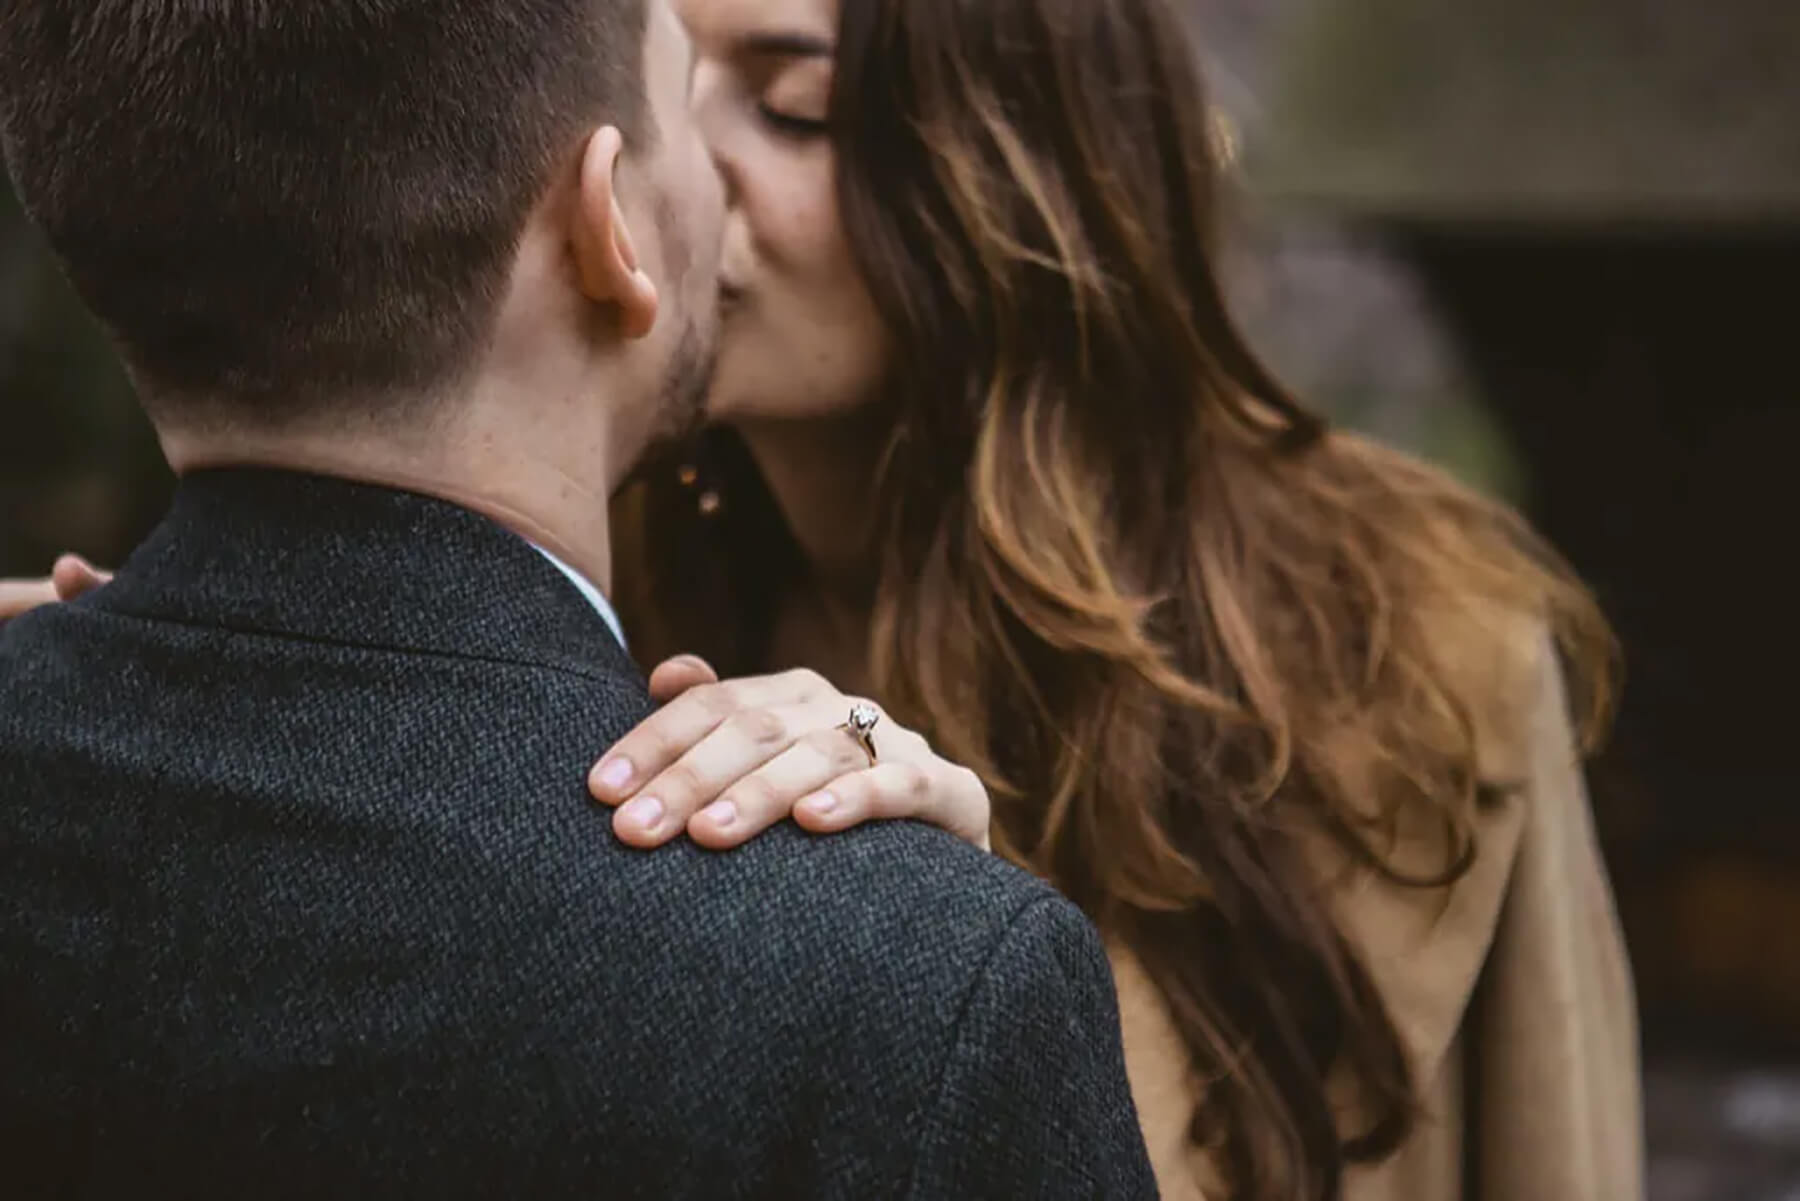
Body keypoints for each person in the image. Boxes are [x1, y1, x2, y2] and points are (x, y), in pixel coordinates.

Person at [0, 2, 1156, 1198]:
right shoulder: (921, 986)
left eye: (788, 109)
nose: (720, 177)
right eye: (681, 108)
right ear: (609, 227)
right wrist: (925, 938)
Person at [585, 0, 1642, 1198]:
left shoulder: (1409, 642)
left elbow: (1557, 1154)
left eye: (794, 111)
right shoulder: (601, 603)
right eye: (660, 86)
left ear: (1013, 171)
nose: (678, 175)